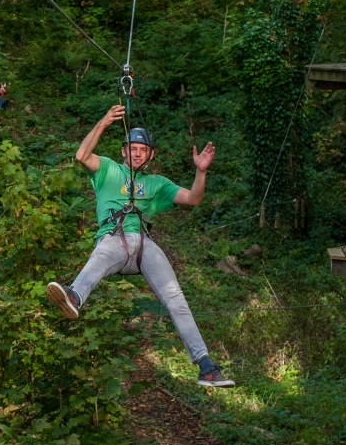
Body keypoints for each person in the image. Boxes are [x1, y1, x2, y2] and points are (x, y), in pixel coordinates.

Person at [46, 104, 235, 388]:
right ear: (123, 151)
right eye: (132, 148)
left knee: (176, 297)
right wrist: (104, 122)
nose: (137, 153)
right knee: (101, 255)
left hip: (144, 245)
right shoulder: (108, 170)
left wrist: (201, 172)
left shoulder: (157, 184)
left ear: (150, 155)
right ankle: (74, 297)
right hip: (114, 239)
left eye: (143, 150)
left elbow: (193, 199)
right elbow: (82, 155)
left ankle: (205, 366)